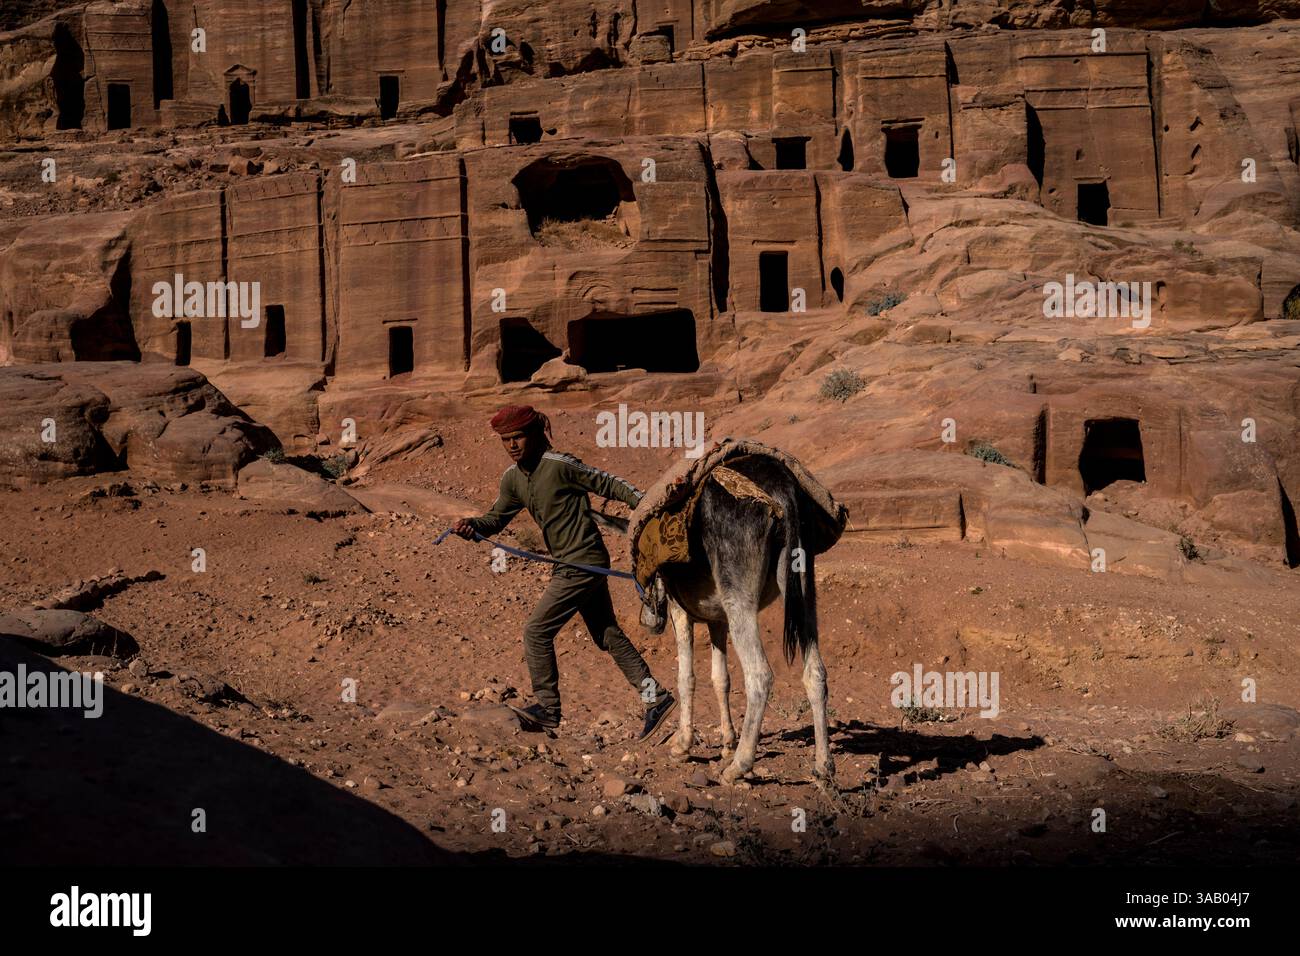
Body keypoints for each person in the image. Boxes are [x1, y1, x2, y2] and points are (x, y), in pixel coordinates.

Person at [453, 404, 676, 740]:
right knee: (607, 635)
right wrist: (472, 526)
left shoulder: (560, 466)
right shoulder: (513, 479)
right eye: (506, 440)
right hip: (570, 564)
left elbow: (610, 484)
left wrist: (647, 507)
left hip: (582, 562)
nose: (512, 445)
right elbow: (495, 519)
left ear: (534, 434)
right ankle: (655, 698)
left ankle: (548, 709)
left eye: (518, 437)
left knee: (536, 632)